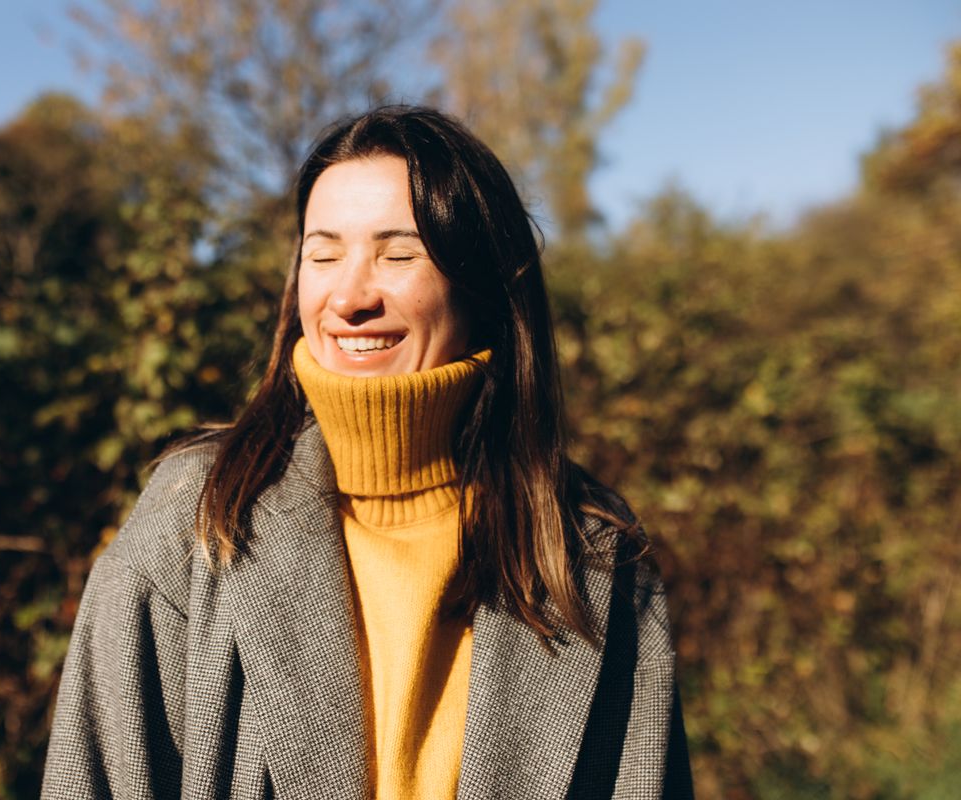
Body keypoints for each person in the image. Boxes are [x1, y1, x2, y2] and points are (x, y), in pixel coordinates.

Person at [42, 106, 693, 799]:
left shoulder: (592, 557)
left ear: (482, 287)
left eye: (398, 253)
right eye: (323, 254)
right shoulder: (194, 520)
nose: (349, 296)